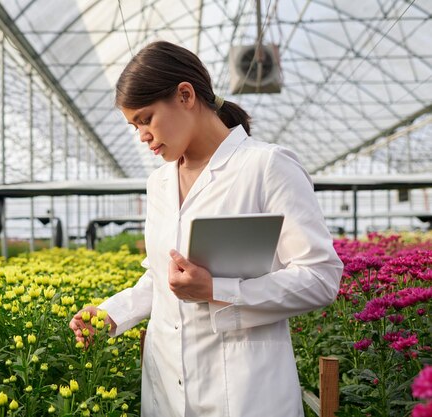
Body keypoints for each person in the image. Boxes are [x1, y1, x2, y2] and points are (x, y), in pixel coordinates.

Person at [69, 40, 343, 417]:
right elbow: (162, 275)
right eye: (134, 126)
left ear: (185, 95)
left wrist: (217, 290)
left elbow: (321, 277)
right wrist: (112, 313)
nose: (142, 136)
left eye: (146, 119)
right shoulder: (159, 184)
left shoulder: (266, 167)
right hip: (166, 387)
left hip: (247, 393)